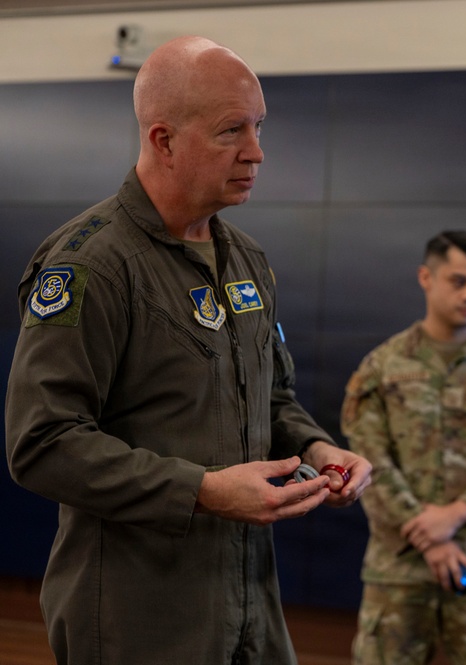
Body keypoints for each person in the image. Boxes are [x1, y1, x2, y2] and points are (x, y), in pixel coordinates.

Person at [5, 36, 372, 665]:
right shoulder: (91, 264)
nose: (256, 151)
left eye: (258, 126)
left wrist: (315, 448)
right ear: (164, 140)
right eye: (232, 130)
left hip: (251, 609)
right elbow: (41, 444)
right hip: (137, 618)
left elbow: (271, 397)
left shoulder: (246, 259)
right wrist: (200, 489)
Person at [341, 230, 466, 664]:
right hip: (399, 568)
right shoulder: (382, 367)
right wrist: (428, 535)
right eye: (459, 281)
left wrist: (456, 514)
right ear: (426, 277)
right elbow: (369, 461)